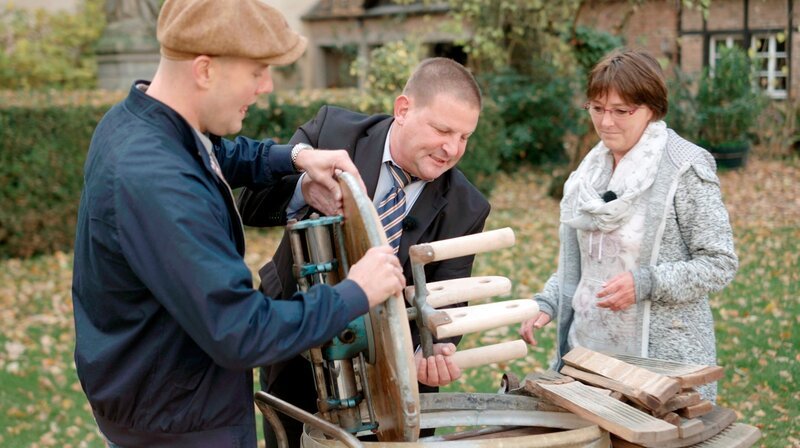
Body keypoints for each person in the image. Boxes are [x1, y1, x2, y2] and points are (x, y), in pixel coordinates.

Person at [71, 1, 405, 447]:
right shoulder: (157, 179)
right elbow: (243, 331)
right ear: (205, 70)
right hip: (180, 430)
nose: (266, 86)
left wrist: (297, 158)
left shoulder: (138, 125)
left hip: (163, 403)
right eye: (257, 71)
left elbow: (216, 154)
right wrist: (355, 293)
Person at [237, 57, 490, 446]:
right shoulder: (332, 131)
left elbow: (449, 298)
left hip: (387, 377)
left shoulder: (468, 206)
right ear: (403, 109)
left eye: (464, 137)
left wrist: (435, 349)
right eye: (442, 129)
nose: (451, 148)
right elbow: (250, 206)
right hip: (296, 348)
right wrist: (303, 188)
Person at [519, 48, 738, 401]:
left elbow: (719, 264)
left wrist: (646, 283)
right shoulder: (588, 173)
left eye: (622, 111)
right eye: (597, 108)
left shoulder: (686, 168)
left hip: (663, 370)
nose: (606, 122)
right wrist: (548, 302)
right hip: (588, 356)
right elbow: (587, 262)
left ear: (652, 108)